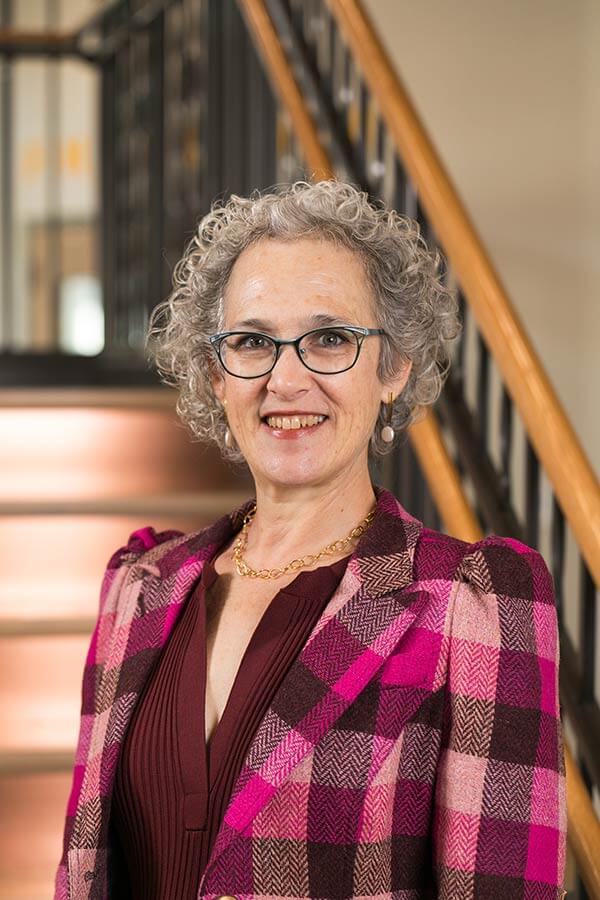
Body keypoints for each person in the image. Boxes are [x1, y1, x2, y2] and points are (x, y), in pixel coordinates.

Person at [54, 180, 567, 899]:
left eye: (330, 339)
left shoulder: (470, 609)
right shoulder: (141, 588)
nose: (285, 378)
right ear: (215, 372)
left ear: (394, 368)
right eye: (252, 341)